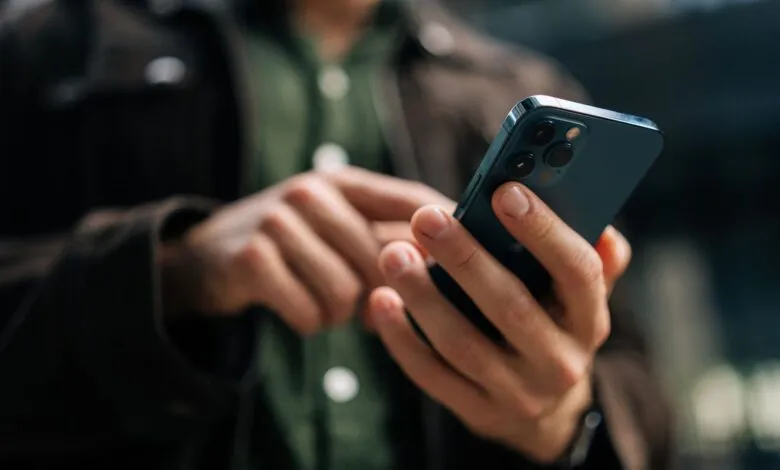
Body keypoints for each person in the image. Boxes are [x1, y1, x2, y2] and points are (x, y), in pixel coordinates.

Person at [0, 0, 671, 469]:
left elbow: (642, 392)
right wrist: (181, 270)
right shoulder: (53, 47)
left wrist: (564, 421)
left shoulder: (513, 86)